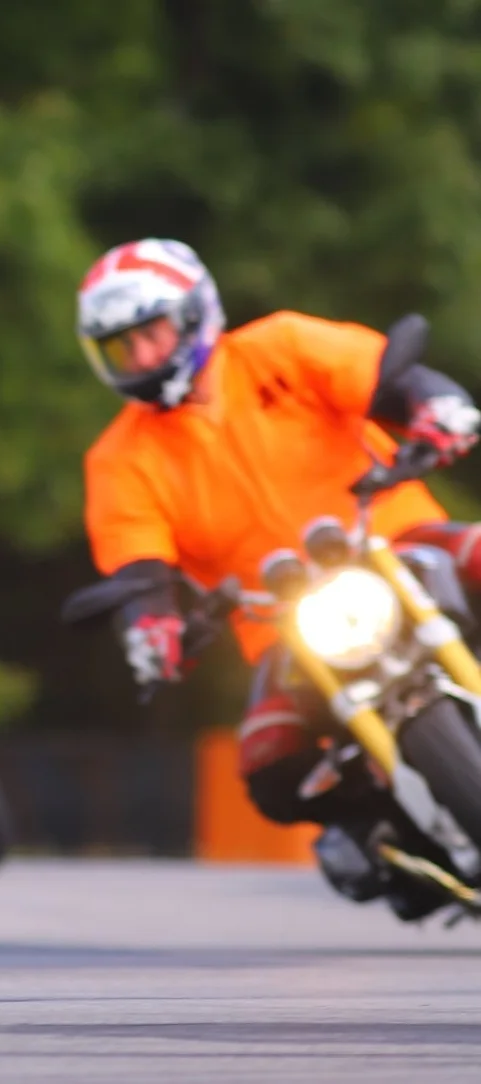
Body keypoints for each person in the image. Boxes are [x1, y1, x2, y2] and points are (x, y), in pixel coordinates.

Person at [74, 237, 481, 915]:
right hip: (285, 625)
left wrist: (436, 411)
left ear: (194, 310)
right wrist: (150, 627)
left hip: (392, 540)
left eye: (150, 333)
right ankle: (395, 840)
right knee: (269, 765)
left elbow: (391, 377)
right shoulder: (117, 459)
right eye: (123, 347)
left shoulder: (280, 346)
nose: (142, 357)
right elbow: (136, 566)